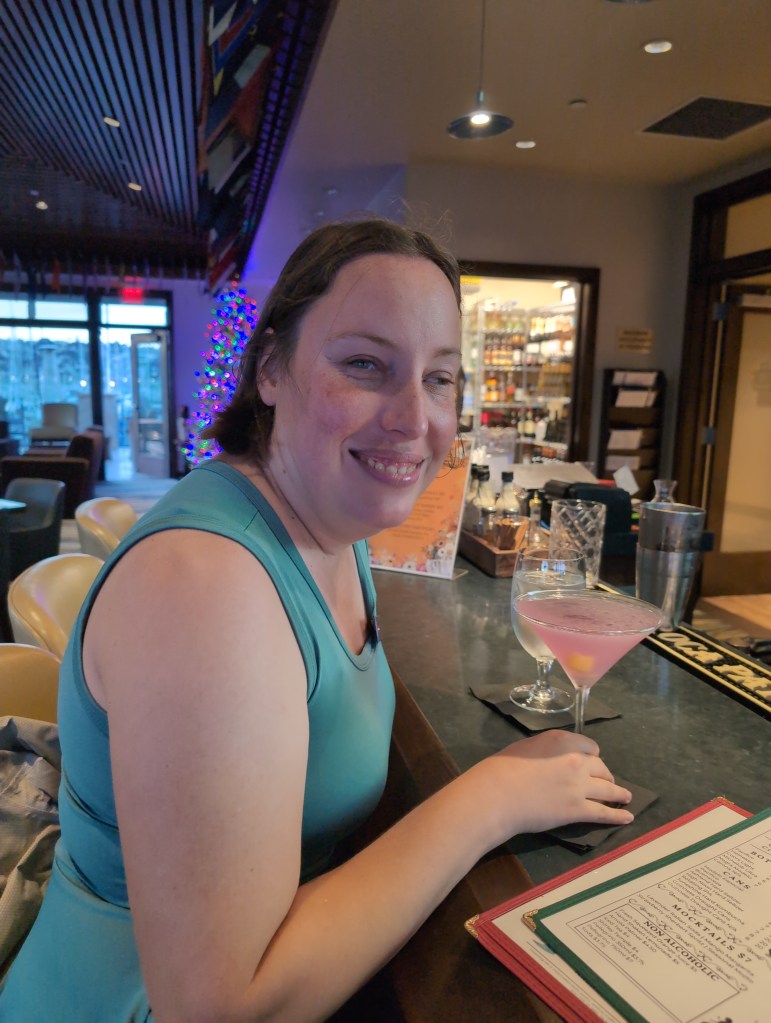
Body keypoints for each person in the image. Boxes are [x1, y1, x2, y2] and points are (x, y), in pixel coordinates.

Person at [0, 217, 634, 1022]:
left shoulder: (332, 525)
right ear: (270, 367)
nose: (414, 417)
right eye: (365, 364)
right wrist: (491, 797)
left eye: (440, 377)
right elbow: (219, 1007)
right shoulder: (206, 586)